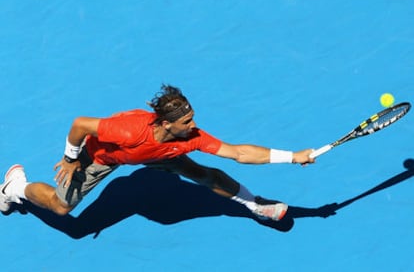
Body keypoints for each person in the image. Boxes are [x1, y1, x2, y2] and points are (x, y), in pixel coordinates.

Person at [0, 85, 314, 222]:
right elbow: (80, 124)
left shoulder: (190, 137)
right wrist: (70, 158)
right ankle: (14, 186)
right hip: (102, 156)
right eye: (187, 121)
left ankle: (254, 205)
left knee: (203, 174)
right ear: (166, 123)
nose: (195, 124)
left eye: (192, 117)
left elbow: (239, 153)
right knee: (61, 207)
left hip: (156, 153)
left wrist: (294, 156)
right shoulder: (128, 130)